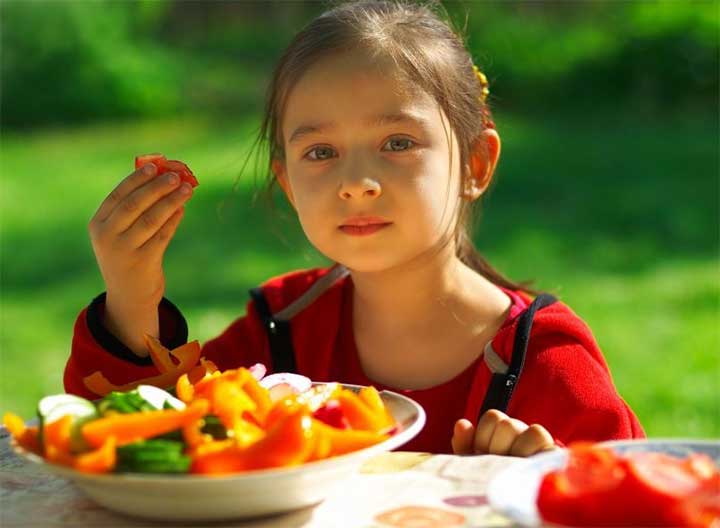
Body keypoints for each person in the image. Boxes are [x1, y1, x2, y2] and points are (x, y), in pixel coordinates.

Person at [64, 0, 645, 456]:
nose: (356, 182)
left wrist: (542, 484)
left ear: (475, 164)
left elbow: (640, 498)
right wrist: (133, 296)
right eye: (320, 152)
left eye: (398, 142)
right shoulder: (280, 328)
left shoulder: (543, 361)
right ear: (288, 184)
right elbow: (138, 439)